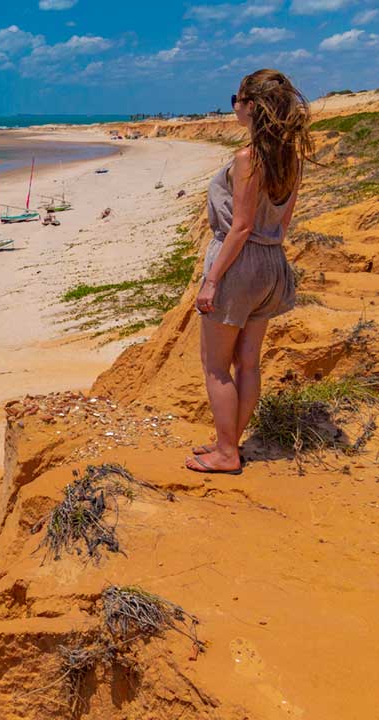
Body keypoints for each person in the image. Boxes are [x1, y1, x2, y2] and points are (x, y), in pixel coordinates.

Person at [186, 69, 313, 475]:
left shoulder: (248, 158)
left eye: (236, 100)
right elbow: (284, 222)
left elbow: (240, 226)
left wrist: (211, 280)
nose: (234, 107)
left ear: (252, 107)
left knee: (216, 366)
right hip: (272, 261)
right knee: (249, 363)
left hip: (240, 263)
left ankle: (226, 454)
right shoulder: (289, 159)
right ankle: (230, 443)